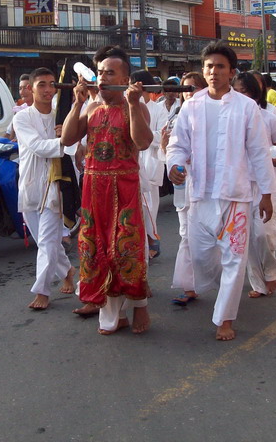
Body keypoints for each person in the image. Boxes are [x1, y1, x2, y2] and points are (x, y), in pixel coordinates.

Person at [167, 42, 273, 342]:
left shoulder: (246, 107)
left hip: (236, 196)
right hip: (200, 195)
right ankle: (226, 286)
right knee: (201, 256)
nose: (214, 72)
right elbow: (178, 144)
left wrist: (266, 192)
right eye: (209, 67)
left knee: (234, 259)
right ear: (204, 71)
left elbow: (259, 153)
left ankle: (225, 318)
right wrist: (174, 164)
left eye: (220, 67)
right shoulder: (191, 106)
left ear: (231, 72)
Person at [62, 46, 152, 335]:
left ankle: (140, 306)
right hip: (93, 187)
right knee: (95, 250)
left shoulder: (134, 106)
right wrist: (76, 104)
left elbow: (143, 143)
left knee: (127, 250)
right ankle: (113, 316)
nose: (102, 77)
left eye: (110, 72)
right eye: (100, 72)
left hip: (124, 187)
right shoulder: (91, 106)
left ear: (125, 78)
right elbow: (67, 138)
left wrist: (135, 104)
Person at [13, 68, 76, 310]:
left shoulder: (61, 116)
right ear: (31, 88)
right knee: (45, 242)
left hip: (55, 186)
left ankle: (42, 291)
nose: (48, 89)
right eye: (42, 85)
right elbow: (38, 146)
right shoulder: (22, 118)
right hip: (30, 185)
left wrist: (67, 135)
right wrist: (62, 139)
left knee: (49, 240)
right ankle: (68, 270)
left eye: (52, 84)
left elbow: (72, 148)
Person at [232, 72, 276, 298]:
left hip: (266, 183)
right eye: (238, 90)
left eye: (245, 91)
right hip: (240, 184)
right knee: (247, 236)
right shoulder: (229, 117)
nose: (241, 95)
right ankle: (258, 283)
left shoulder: (269, 117)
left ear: (255, 93)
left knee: (264, 234)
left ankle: (271, 272)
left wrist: (275, 158)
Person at [161, 71, 206, 306]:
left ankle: (229, 277)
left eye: (193, 88)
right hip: (184, 187)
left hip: (211, 188)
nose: (188, 94)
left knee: (216, 238)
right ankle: (189, 286)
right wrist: (166, 150)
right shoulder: (175, 117)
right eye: (185, 89)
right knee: (186, 235)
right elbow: (168, 154)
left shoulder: (214, 115)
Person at [130, 70, 168, 260]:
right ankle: (142, 246)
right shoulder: (128, 106)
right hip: (133, 164)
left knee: (149, 208)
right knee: (136, 210)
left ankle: (152, 241)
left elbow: (162, 136)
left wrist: (144, 136)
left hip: (151, 164)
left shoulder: (158, 109)